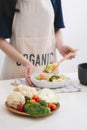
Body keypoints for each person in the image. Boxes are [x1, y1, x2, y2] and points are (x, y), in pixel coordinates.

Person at [0, 0, 77, 85]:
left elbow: (56, 29)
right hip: (17, 72)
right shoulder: (7, 1)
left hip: (48, 73)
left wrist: (61, 46)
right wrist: (26, 62)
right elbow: (1, 40)